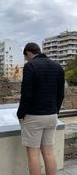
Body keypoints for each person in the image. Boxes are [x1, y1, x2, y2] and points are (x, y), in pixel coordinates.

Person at [17, 42, 65, 175]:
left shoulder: (30, 66)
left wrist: (20, 114)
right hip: (52, 114)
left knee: (33, 153)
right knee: (49, 152)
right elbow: (61, 94)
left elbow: (26, 94)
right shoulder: (58, 66)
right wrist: (55, 111)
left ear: (28, 53)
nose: (26, 60)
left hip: (34, 116)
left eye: (25, 57)